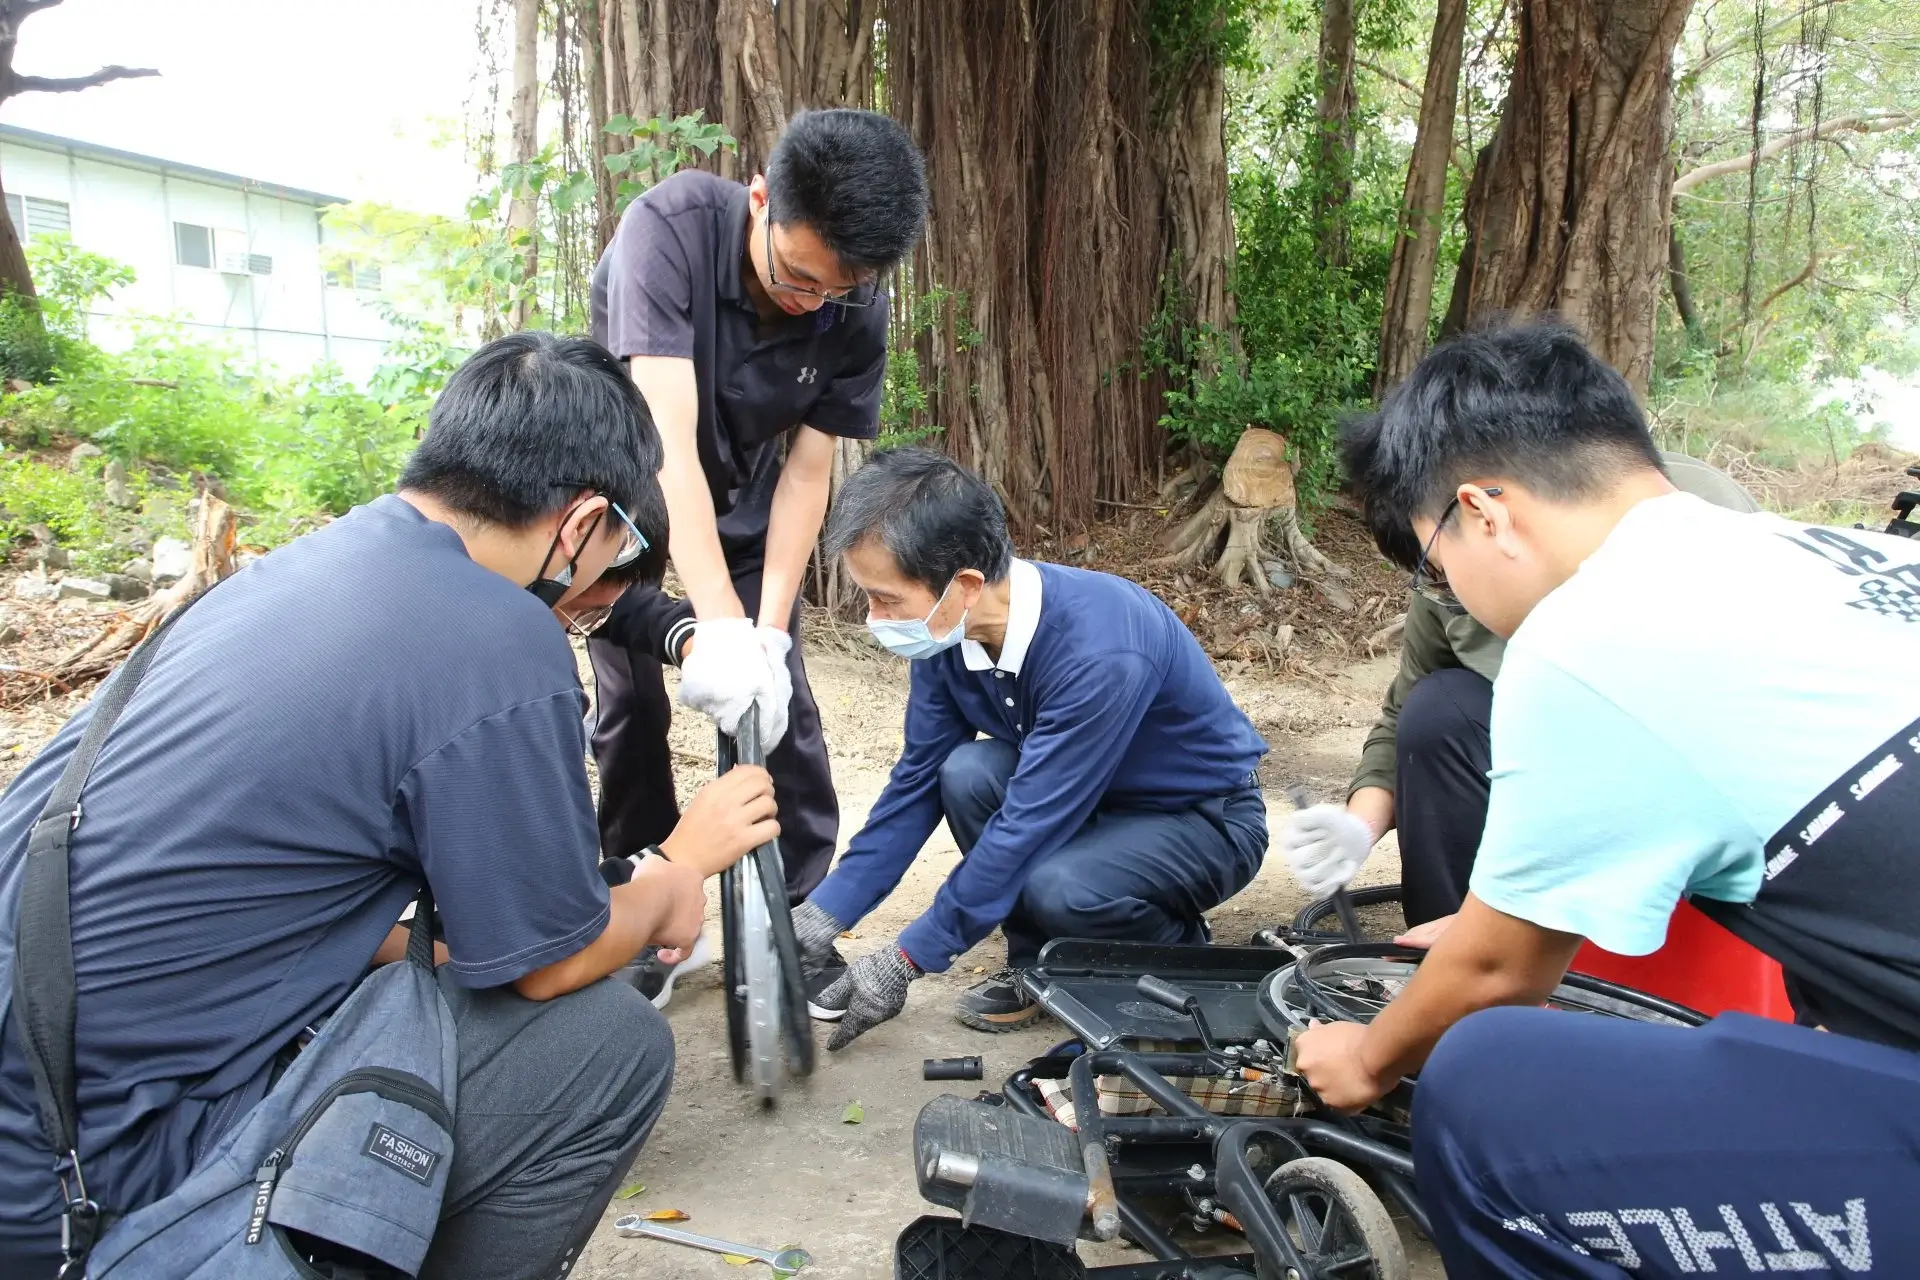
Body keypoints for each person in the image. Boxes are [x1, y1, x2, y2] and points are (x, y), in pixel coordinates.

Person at [0, 332, 780, 1278]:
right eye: (625, 539)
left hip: (39, 1099)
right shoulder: (496, 637)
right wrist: (679, 869)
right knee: (606, 1046)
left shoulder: (293, 575)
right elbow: (552, 966)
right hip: (89, 1180)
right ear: (580, 525)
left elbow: (277, 898)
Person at [1291, 320, 1920, 1277]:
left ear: (1485, 513)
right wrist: (1474, 925)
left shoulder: (1588, 640)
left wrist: (1369, 1059)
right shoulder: (1833, 555)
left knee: (1479, 1080)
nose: (1446, 586)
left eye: (1434, 559)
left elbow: (1503, 979)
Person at [583, 111, 928, 975]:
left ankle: (797, 909)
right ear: (761, 199)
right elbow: (664, 443)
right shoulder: (668, 232)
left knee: (785, 706)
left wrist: (764, 633)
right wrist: (715, 626)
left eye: (833, 291)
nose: (809, 301)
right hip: (628, 499)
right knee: (631, 708)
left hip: (741, 496)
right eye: (797, 276)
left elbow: (808, 475)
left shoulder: (857, 299)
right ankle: (639, 909)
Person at [789, 449, 1271, 1048]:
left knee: (1059, 885)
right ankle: (1036, 961)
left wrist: (907, 959)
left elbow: (1027, 827)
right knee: (964, 772)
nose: (874, 618)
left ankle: (1173, 959)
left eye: (887, 600)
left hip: (1202, 819)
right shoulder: (950, 635)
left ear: (963, 585)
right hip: (1089, 801)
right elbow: (916, 781)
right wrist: (824, 914)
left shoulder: (1100, 650)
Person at [1281, 452, 1759, 932]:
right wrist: (1358, 828)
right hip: (1545, 753)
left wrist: (1506, 934)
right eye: (1434, 575)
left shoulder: (1697, 527)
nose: (1453, 594)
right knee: (1439, 709)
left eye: (1447, 567)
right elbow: (1405, 710)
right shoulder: (1446, 572)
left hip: (1678, 782)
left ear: (1487, 515)